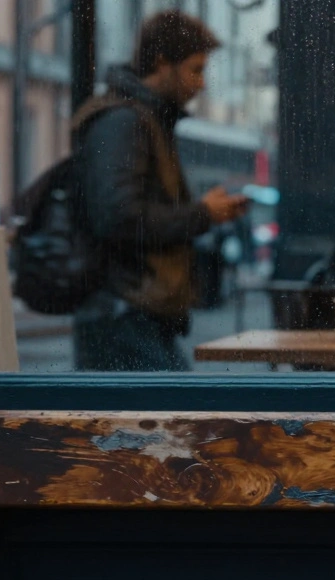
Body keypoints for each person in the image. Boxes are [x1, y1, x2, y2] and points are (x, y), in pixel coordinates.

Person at [72, 10, 249, 371]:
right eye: (195, 69)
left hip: (136, 314)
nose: (201, 84)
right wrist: (203, 214)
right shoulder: (124, 122)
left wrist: (205, 213)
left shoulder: (145, 119)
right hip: (124, 317)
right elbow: (119, 218)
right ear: (162, 64)